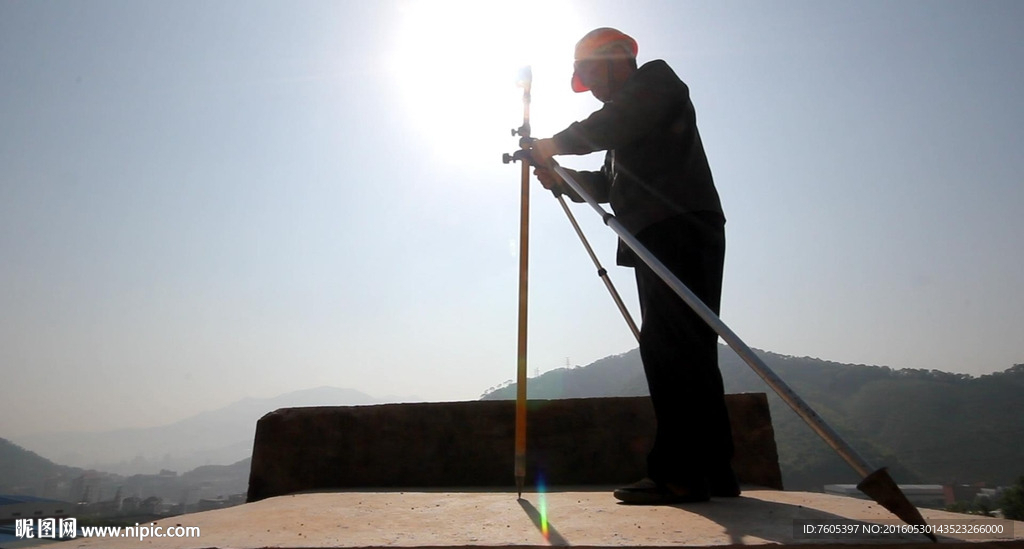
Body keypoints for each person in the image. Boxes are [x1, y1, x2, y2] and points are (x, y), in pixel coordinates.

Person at [529, 28, 739, 504]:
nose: (590, 86)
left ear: (613, 59)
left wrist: (554, 143)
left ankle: (680, 474)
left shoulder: (655, 82)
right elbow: (607, 183)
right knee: (690, 350)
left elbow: (612, 122)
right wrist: (558, 176)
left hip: (677, 227)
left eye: (588, 73)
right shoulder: (625, 127)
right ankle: (714, 472)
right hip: (665, 231)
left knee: (671, 351)